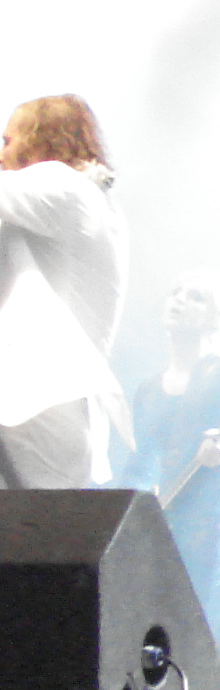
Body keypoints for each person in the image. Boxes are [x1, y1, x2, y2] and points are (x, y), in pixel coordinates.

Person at [126, 274, 220, 652]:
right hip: (159, 528)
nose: (178, 300)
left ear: (216, 317)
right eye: (175, 293)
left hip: (210, 527)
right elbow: (139, 465)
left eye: (195, 297)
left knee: (192, 644)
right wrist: (140, 500)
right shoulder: (148, 389)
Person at [0, 92, 127, 487]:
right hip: (53, 414)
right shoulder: (92, 202)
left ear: (41, 141)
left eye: (8, 141)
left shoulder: (61, 185)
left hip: (33, 409)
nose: (2, 154)